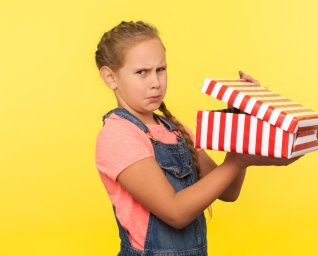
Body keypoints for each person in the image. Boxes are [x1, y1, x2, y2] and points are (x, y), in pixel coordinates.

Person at [95, 20, 298, 256]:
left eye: (161, 69)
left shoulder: (175, 130)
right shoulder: (119, 135)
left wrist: (240, 121)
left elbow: (228, 192)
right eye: (142, 72)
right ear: (110, 77)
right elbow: (175, 212)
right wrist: (240, 160)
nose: (156, 83)